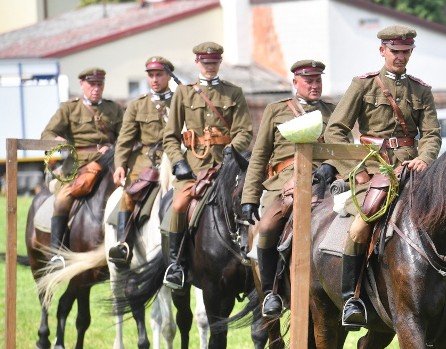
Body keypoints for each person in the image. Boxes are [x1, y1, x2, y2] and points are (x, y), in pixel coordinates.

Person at [323, 24, 446, 329]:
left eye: (406, 51)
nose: (400, 57)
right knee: (362, 223)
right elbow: (335, 130)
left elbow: (431, 134)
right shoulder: (363, 85)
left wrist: (424, 158)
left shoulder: (421, 90)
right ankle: (351, 298)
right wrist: (356, 170)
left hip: (413, 172)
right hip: (373, 171)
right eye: (395, 51)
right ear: (383, 51)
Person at [240, 59, 336, 318]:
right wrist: (249, 197)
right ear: (295, 83)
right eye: (309, 81)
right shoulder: (276, 110)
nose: (315, 85)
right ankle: (271, 291)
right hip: (284, 183)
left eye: (318, 80)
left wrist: (330, 164)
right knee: (268, 227)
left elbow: (343, 146)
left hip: (326, 183)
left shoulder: (333, 112)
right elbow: (259, 156)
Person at [161, 41, 254, 290]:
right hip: (193, 168)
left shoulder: (233, 92)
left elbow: (245, 130)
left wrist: (231, 151)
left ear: (219, 63)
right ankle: (176, 265)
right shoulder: (184, 93)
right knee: (178, 205)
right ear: (197, 63)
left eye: (213, 63)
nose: (209, 67)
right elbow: (170, 136)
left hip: (227, 169)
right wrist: (178, 162)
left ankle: (253, 258)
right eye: (205, 63)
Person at [41, 67, 124, 266]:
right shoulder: (69, 108)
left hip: (109, 164)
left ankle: (125, 246)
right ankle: (57, 252)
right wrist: (58, 140)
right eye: (91, 84)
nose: (96, 88)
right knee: (62, 199)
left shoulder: (114, 109)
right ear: (82, 85)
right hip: (78, 167)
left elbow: (125, 137)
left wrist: (113, 149)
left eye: (99, 84)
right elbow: (47, 134)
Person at [108, 56, 175, 266]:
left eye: (159, 74)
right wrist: (120, 165)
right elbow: (125, 140)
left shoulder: (181, 101)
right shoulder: (137, 105)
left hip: (176, 158)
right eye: (151, 75)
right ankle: (123, 245)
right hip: (146, 163)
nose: (154, 79)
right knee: (129, 196)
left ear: (168, 76)